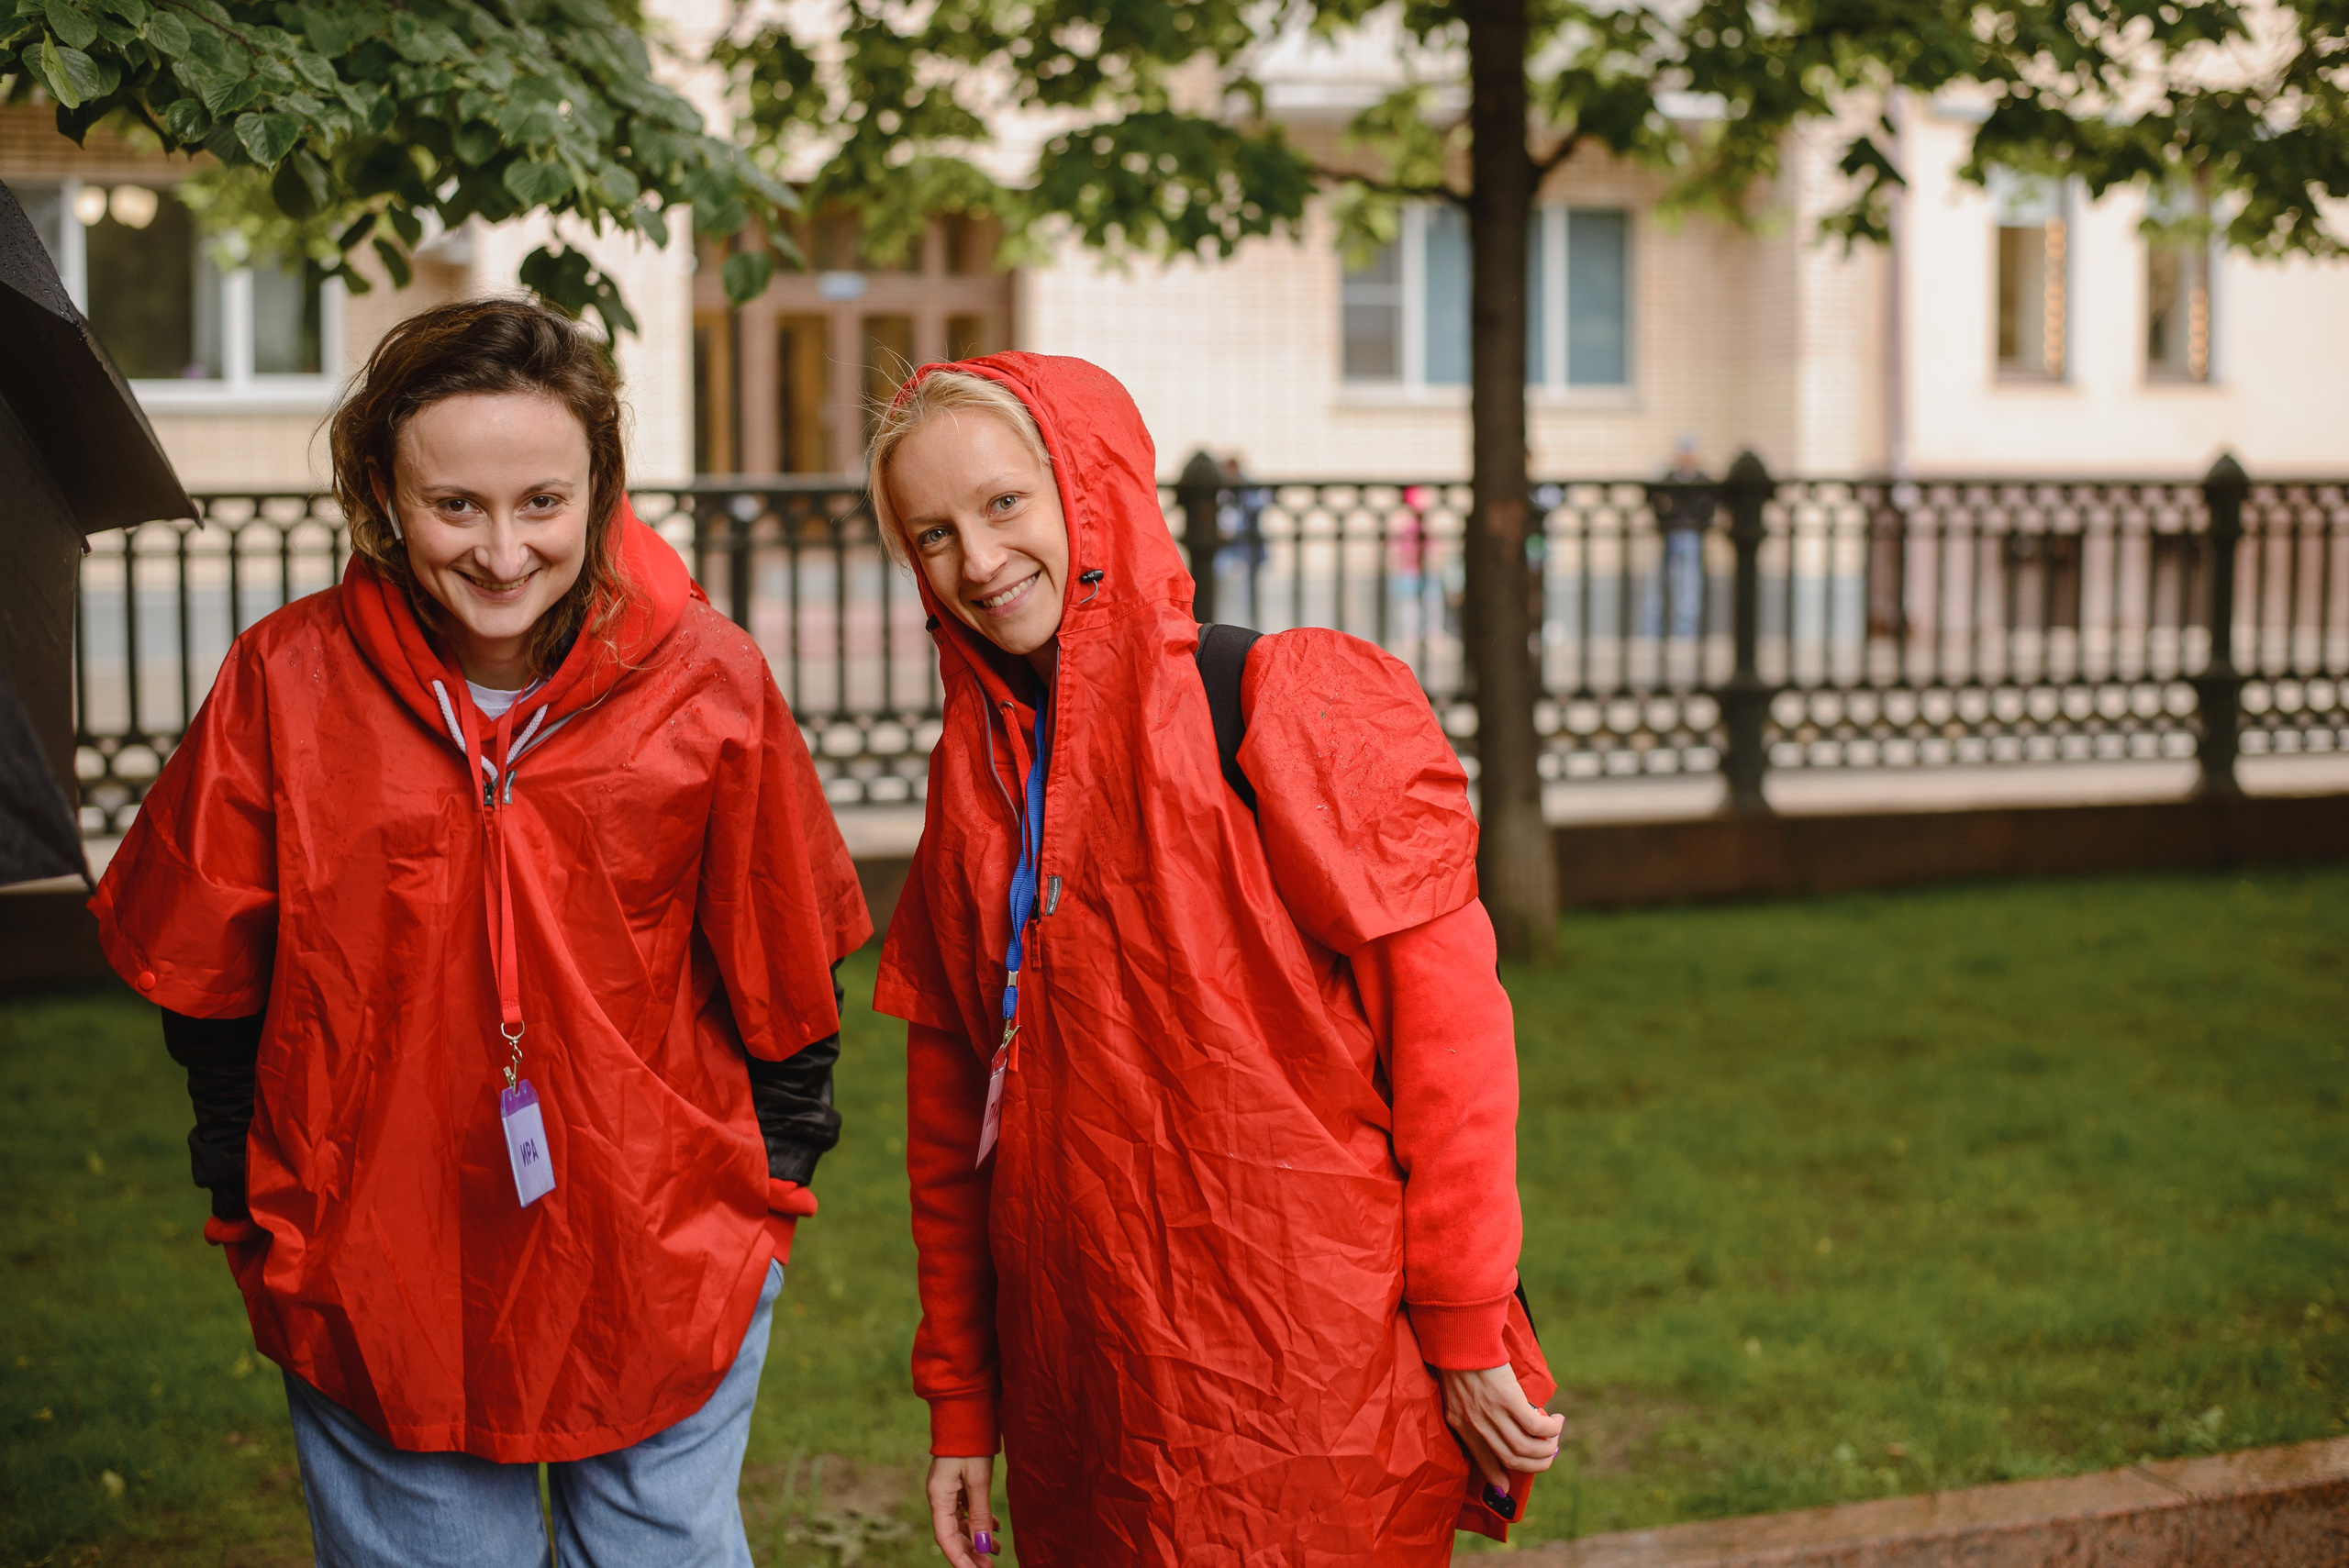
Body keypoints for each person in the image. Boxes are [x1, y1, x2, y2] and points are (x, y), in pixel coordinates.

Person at [88, 297, 871, 1567]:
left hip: (660, 1241)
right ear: (382, 495)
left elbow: (791, 966)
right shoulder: (283, 681)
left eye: (543, 502)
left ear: (600, 488)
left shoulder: (709, 678)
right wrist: (251, 1197)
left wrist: (771, 1187)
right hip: (375, 1252)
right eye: (456, 505)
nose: (504, 551)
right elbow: (207, 971)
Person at [866, 354, 1561, 1567]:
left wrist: (1463, 1317)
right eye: (933, 533)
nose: (976, 560)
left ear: (1091, 489)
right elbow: (951, 1129)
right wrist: (963, 1403)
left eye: (1004, 503)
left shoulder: (1282, 701)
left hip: (1309, 1367)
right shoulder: (976, 785)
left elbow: (1448, 1040)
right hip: (1088, 1382)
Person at [1644, 435, 1716, 643]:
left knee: (1689, 584)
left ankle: (1685, 632)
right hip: (1670, 534)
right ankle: (1653, 630)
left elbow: (1709, 506)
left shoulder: (1702, 480)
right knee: (1660, 584)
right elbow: (1654, 499)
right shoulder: (1668, 479)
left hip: (1692, 535)